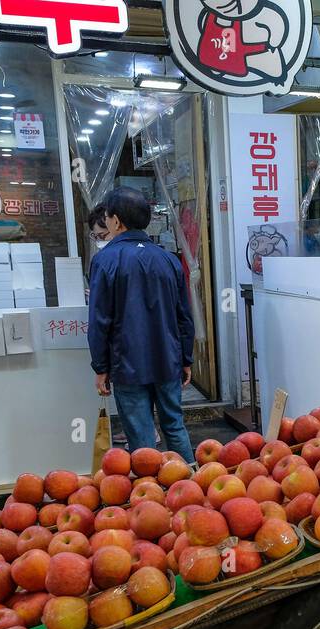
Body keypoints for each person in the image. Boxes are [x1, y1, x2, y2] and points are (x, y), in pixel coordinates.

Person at [87, 187, 194, 460]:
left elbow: (100, 320)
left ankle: (153, 495)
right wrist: (186, 358)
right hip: (168, 359)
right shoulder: (169, 260)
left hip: (127, 364)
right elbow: (184, 314)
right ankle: (192, 483)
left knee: (141, 435)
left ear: (117, 221)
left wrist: (100, 367)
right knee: (174, 425)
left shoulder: (104, 261)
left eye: (109, 216)